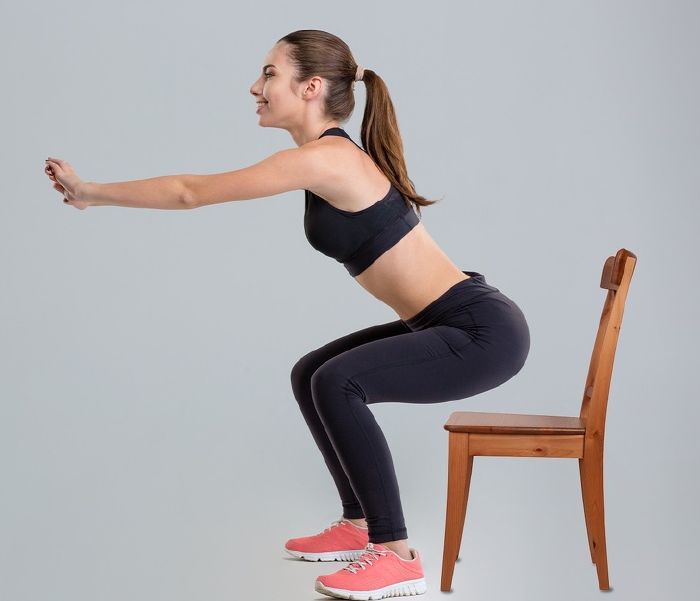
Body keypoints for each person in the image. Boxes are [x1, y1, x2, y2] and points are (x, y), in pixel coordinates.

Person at [44, 28, 530, 601]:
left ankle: (396, 554)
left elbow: (189, 192)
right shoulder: (326, 156)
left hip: (479, 332)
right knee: (311, 373)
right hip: (450, 322)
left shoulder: (327, 159)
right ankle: (358, 524)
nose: (256, 86)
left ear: (311, 87)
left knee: (338, 381)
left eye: (270, 74)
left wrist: (91, 192)